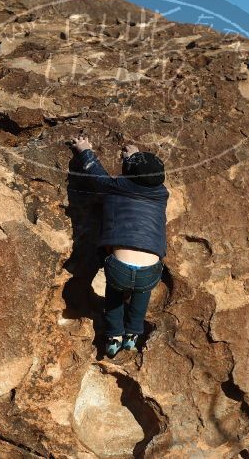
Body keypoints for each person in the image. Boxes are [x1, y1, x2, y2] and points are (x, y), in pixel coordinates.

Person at [68, 134, 169, 358]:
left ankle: (114, 336)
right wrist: (134, 159)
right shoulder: (161, 194)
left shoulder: (117, 187)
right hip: (150, 271)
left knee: (114, 294)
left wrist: (83, 149)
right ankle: (133, 333)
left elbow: (96, 174)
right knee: (141, 294)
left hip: (119, 268)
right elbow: (143, 178)